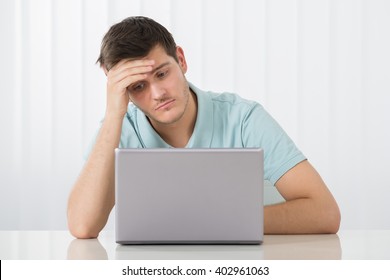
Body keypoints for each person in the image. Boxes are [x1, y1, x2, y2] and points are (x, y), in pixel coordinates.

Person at [67, 16, 340, 239]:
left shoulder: (243, 118)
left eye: (162, 73)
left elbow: (325, 212)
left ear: (181, 60)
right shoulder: (118, 130)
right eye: (138, 86)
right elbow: (82, 226)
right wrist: (114, 113)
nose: (158, 93)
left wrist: (216, 221)